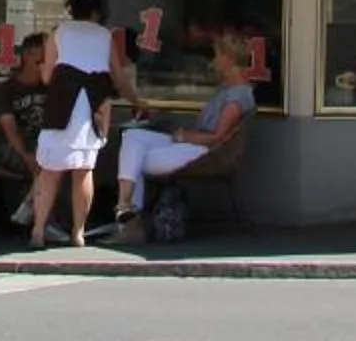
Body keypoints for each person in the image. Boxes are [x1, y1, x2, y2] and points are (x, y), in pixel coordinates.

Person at [109, 34, 256, 235]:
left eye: (217, 56)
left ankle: (128, 224)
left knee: (135, 162)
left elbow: (217, 137)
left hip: (204, 151)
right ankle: (125, 206)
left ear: (228, 59)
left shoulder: (238, 97)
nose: (213, 61)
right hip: (192, 143)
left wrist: (185, 137)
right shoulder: (226, 89)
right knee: (132, 137)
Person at [28, 0, 125, 250]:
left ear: (71, 8)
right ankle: (78, 232)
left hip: (61, 101)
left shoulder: (58, 33)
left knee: (49, 171)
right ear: (97, 11)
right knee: (83, 170)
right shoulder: (105, 36)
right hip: (91, 105)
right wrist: (135, 98)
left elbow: (47, 76)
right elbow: (117, 74)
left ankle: (38, 231)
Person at [0, 33, 50, 228]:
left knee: (58, 159)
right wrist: (25, 154)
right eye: (44, 58)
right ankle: (43, 222)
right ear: (28, 55)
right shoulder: (6, 89)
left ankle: (31, 212)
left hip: (45, 146)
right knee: (48, 162)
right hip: (14, 146)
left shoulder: (52, 88)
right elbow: (9, 127)